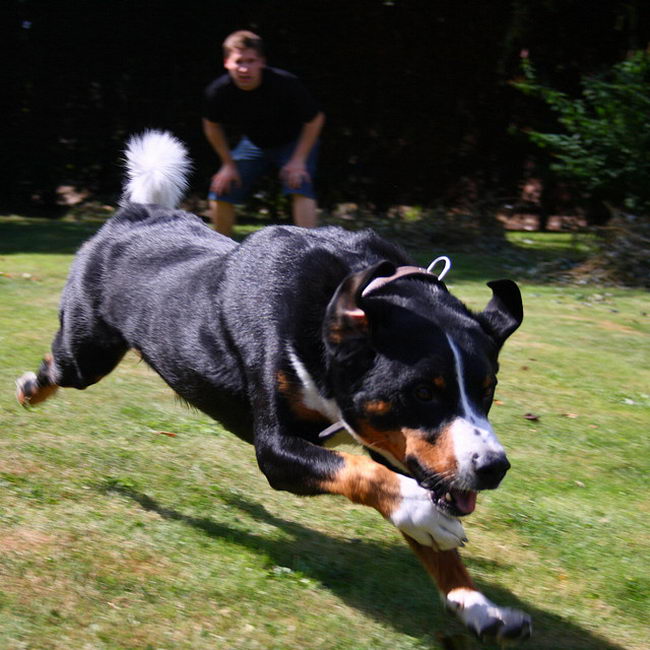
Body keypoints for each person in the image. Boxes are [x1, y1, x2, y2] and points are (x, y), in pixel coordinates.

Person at [202, 30, 325, 236]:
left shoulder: (285, 83)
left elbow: (315, 119)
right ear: (227, 63)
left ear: (262, 63)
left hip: (294, 142)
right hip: (254, 144)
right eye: (239, 61)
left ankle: (311, 251)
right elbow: (211, 124)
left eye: (251, 61)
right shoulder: (218, 91)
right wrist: (227, 164)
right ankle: (221, 252)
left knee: (299, 182)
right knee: (221, 188)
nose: (244, 68)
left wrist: (298, 161)